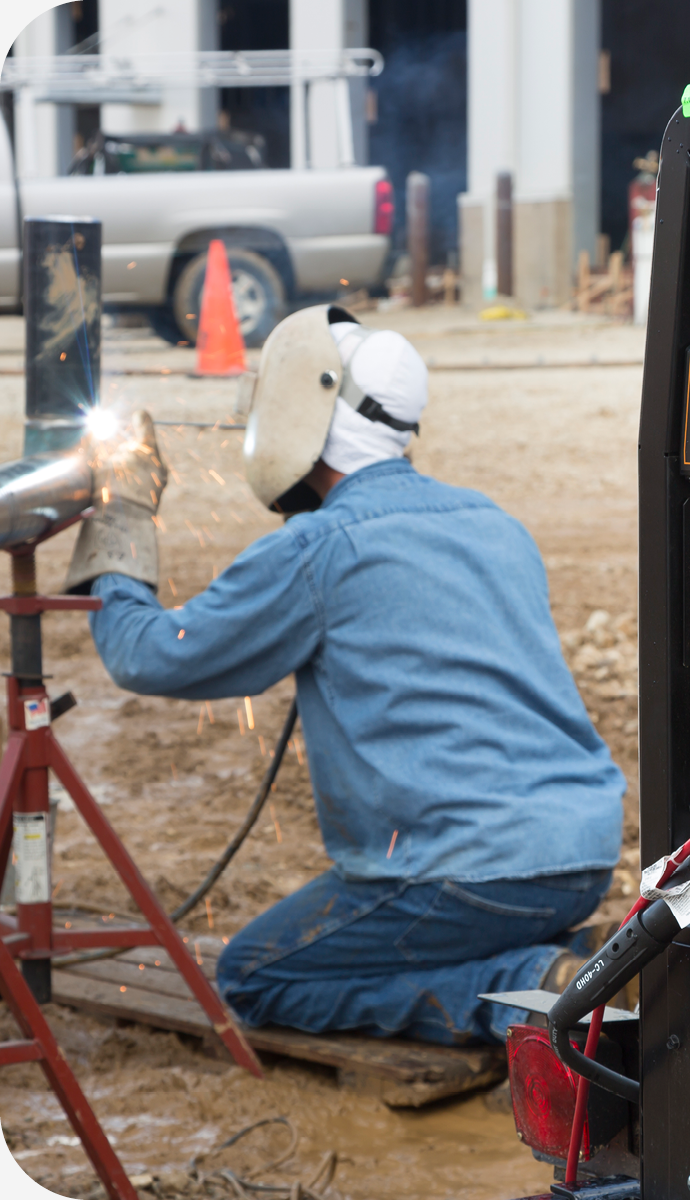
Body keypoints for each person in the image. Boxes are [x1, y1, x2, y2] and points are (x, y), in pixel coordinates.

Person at [65, 305, 625, 1046]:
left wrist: (121, 517)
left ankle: (522, 990)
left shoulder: (320, 549)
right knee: (444, 916)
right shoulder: (495, 523)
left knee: (257, 974)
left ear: (306, 406)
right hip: (580, 858)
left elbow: (150, 653)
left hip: (461, 880)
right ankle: (588, 962)